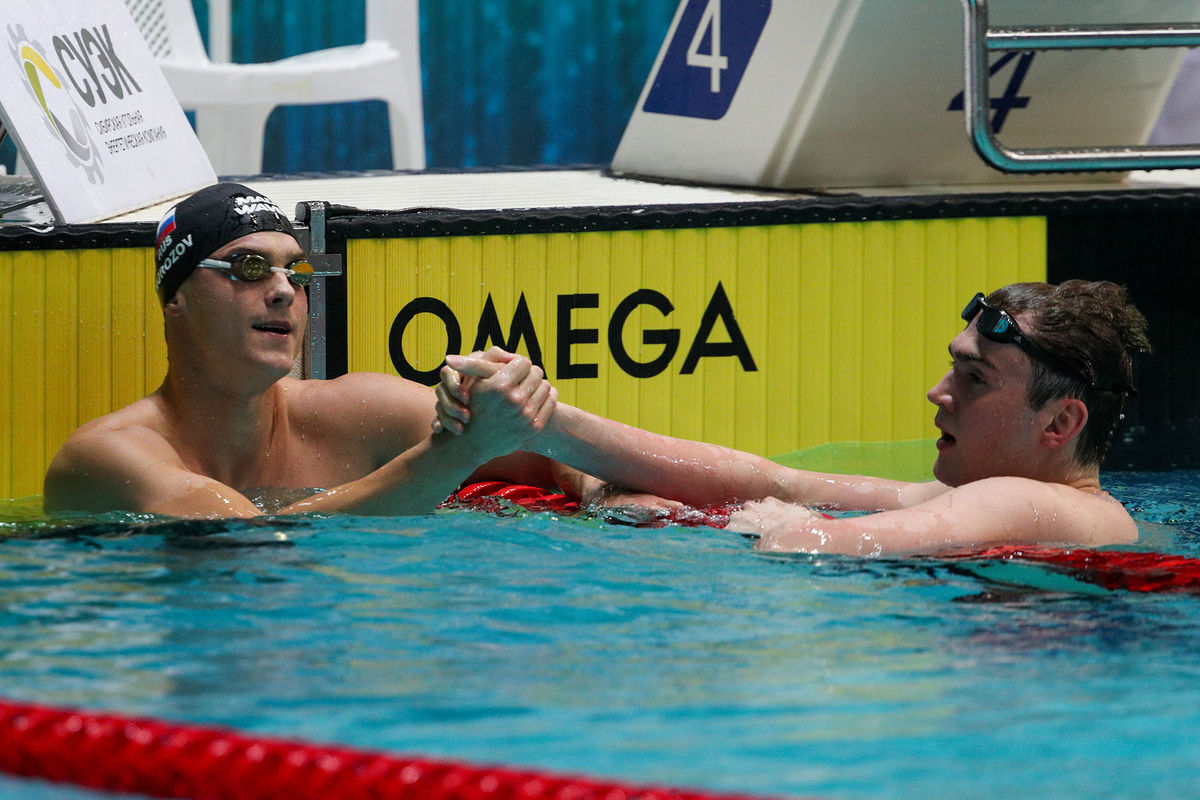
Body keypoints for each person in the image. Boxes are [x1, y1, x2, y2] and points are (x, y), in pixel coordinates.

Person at [435, 280, 1151, 556]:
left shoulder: (1030, 501)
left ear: (1060, 425)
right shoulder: (990, 500)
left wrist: (708, 523)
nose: (939, 393)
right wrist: (547, 423)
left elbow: (810, 542)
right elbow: (781, 481)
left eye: (973, 379)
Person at [43, 183, 585, 517]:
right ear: (176, 300)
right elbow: (254, 546)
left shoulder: (355, 413)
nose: (283, 290)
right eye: (247, 268)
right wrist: (457, 454)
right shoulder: (107, 458)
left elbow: (558, 452)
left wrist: (601, 491)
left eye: (297, 271)